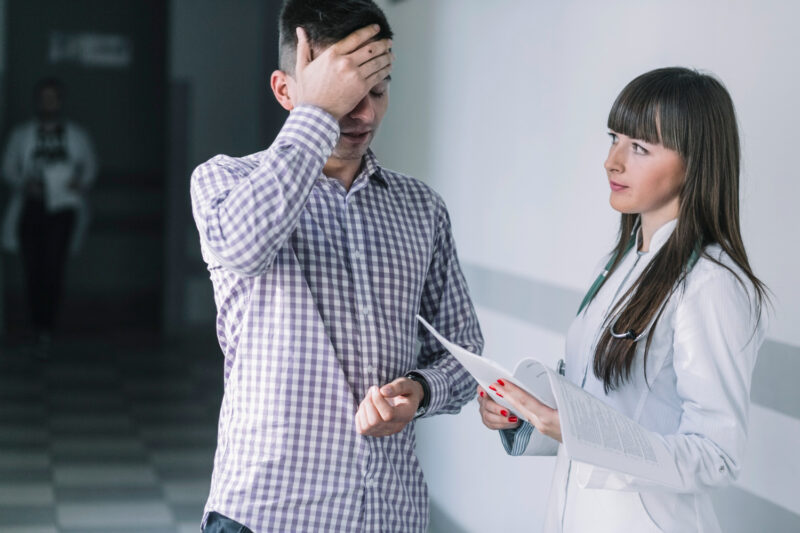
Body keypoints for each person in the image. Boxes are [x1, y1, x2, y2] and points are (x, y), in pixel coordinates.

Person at [190, 1, 483, 531]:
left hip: (388, 513)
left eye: (376, 90)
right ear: (286, 91)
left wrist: (420, 390)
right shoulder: (223, 182)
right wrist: (315, 115)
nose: (365, 114)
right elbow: (244, 247)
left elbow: (465, 351)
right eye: (344, 95)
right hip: (265, 514)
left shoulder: (421, 208)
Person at [477, 67, 768, 532]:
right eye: (614, 138)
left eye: (639, 148)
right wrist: (526, 417)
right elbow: (601, 412)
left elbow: (716, 456)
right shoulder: (618, 265)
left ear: (695, 161)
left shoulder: (712, 284)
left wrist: (576, 431)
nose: (612, 161)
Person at [2, 77, 97, 353]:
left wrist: (79, 183)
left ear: (60, 100)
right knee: (33, 268)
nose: (48, 102)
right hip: (31, 207)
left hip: (62, 209)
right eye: (44, 97)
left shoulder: (76, 135)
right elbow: (8, 167)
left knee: (53, 266)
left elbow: (90, 167)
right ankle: (37, 325)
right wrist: (24, 183)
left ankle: (48, 326)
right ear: (37, 100)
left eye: (53, 97)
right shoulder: (22, 135)